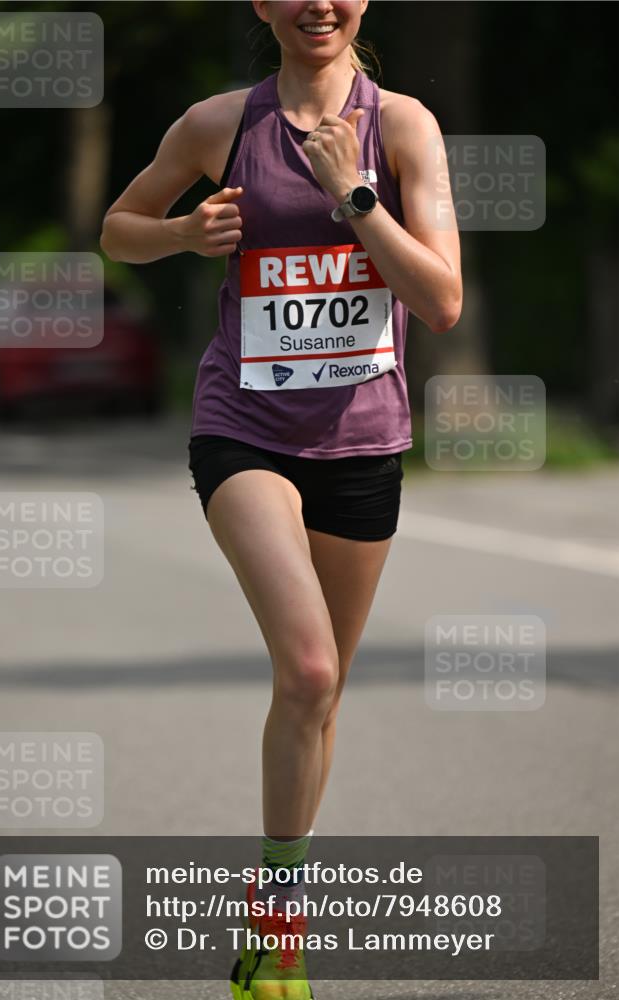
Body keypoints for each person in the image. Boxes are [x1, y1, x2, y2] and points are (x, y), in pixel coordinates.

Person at [100, 1, 461, 996]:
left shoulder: (402, 128)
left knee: (322, 692)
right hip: (244, 429)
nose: (318, 4)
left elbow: (438, 298)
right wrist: (182, 230)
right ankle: (275, 935)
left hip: (362, 441)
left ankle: (278, 916)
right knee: (306, 670)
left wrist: (354, 194)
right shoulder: (220, 126)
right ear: (261, 3)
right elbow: (116, 231)